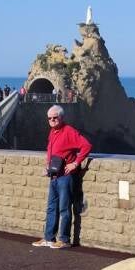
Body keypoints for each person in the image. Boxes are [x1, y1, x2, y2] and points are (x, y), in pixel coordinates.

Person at [32, 105, 92, 250]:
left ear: (61, 117)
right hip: (54, 176)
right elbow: (52, 152)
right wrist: (48, 167)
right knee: (51, 208)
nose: (52, 120)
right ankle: (49, 238)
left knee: (64, 209)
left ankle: (64, 240)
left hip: (65, 177)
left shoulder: (69, 131)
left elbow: (86, 146)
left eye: (55, 117)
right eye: (49, 118)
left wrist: (75, 163)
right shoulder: (52, 132)